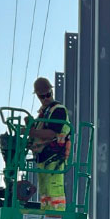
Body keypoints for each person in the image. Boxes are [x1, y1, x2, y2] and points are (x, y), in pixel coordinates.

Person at [28, 76, 71, 211]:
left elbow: (51, 133)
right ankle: (46, 215)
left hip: (54, 159)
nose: (46, 98)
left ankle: (57, 217)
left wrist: (31, 132)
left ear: (51, 92)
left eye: (48, 95)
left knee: (54, 191)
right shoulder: (44, 113)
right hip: (43, 160)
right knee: (45, 193)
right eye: (42, 96)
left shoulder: (58, 110)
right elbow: (38, 135)